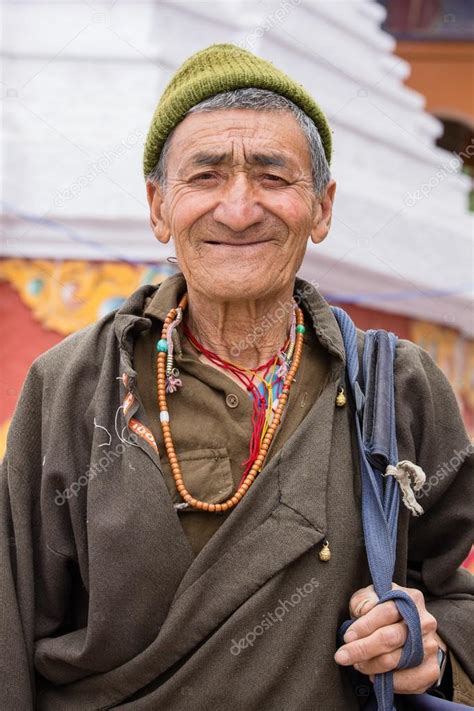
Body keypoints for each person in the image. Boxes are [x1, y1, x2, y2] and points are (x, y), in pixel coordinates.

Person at [1, 43, 473, 710]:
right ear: (159, 207)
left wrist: (426, 639)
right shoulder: (72, 385)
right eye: (206, 176)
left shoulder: (396, 386)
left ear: (323, 207)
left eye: (274, 177)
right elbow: (11, 624)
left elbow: (457, 597)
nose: (240, 207)